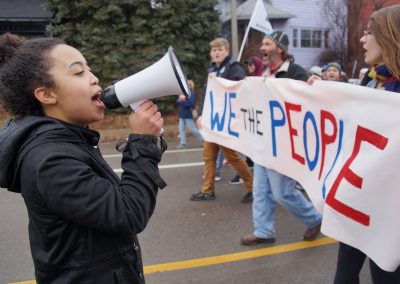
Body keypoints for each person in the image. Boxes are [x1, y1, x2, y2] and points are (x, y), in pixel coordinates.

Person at [0, 33, 165, 284]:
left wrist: (147, 141)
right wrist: (142, 142)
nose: (94, 77)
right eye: (79, 72)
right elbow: (128, 212)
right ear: (46, 95)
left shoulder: (68, 139)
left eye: (89, 69)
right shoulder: (50, 160)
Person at [333, 5, 400, 283]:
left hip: (390, 211)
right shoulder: (371, 80)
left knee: (384, 276)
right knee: (344, 276)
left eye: (369, 33)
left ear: (389, 36)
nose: (362, 39)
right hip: (359, 200)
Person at [241, 31, 322, 246]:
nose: (262, 48)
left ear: (280, 48)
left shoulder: (295, 72)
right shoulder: (263, 72)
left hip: (283, 144)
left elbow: (312, 96)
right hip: (263, 141)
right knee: (260, 191)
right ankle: (263, 230)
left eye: (267, 44)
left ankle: (314, 219)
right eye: (262, 44)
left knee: (282, 193)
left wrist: (315, 83)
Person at [191, 37, 253, 203]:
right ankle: (207, 190)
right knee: (209, 156)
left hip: (225, 123)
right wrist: (201, 115)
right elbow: (206, 95)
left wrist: (222, 81)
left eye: (220, 49)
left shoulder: (234, 67)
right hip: (212, 121)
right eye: (214, 50)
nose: (216, 53)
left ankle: (253, 188)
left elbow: (240, 88)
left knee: (232, 156)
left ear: (227, 51)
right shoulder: (212, 69)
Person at [176, 79, 203, 149]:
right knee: (181, 129)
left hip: (188, 114)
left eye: (188, 84)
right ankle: (183, 143)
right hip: (182, 114)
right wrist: (181, 100)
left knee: (192, 129)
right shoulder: (183, 93)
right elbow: (177, 102)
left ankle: (204, 139)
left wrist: (182, 101)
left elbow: (191, 104)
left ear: (190, 86)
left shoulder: (191, 93)